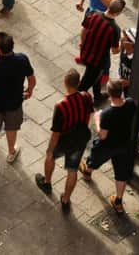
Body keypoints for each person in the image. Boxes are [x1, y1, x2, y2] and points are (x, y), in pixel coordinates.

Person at [35, 69, 93, 213]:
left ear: (65, 83)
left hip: (64, 141)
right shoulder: (86, 96)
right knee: (72, 170)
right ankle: (66, 200)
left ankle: (47, 183)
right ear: (78, 83)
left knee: (50, 157)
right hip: (79, 141)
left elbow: (56, 133)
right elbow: (90, 115)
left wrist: (50, 150)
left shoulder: (61, 105)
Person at [0, 32, 36, 165]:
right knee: (11, 128)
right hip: (14, 102)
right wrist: (30, 90)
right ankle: (11, 152)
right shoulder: (22, 59)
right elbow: (32, 78)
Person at [79, 80, 136, 215]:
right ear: (121, 91)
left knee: (95, 158)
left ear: (110, 95)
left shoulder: (107, 114)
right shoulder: (130, 104)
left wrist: (97, 119)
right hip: (123, 145)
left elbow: (102, 135)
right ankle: (118, 202)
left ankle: (87, 172)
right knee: (121, 174)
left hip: (107, 146)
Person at [77, 0, 125, 105]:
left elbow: (84, 29)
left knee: (96, 77)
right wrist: (122, 45)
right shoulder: (114, 29)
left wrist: (82, 44)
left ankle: (97, 96)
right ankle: (75, 102)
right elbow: (114, 50)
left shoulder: (94, 13)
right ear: (118, 13)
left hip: (86, 52)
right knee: (84, 84)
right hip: (97, 61)